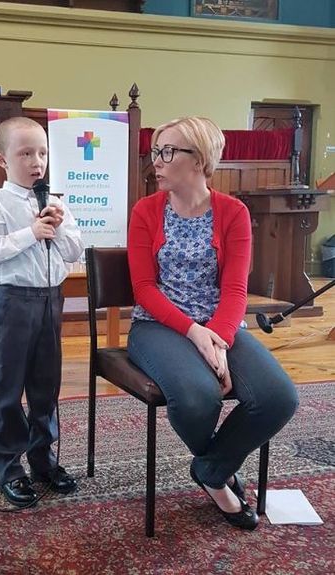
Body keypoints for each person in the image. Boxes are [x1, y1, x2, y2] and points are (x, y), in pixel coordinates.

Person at [127, 116, 299, 530]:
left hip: (221, 325)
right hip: (158, 325)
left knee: (279, 397)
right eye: (157, 152)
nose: (158, 161)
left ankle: (210, 470)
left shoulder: (233, 212)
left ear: (200, 159)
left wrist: (218, 340)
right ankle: (220, 474)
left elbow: (236, 289)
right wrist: (196, 335)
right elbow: (145, 289)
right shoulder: (146, 211)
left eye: (169, 152)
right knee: (198, 397)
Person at [0, 116, 84, 507]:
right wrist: (29, 234)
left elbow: (73, 252)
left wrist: (60, 225)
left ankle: (42, 459)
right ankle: (8, 466)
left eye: (42, 153)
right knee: (8, 388)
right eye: (25, 153)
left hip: (52, 300)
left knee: (45, 387)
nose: (37, 161)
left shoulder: (55, 202)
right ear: (3, 160)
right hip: (14, 302)